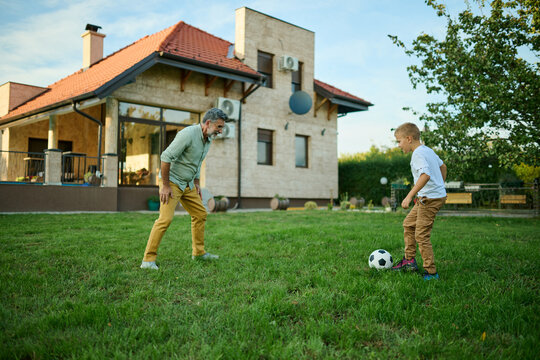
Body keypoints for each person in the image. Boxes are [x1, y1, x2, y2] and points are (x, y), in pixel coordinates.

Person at [140, 108, 228, 270]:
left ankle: (199, 253)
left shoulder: (207, 139)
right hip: (172, 183)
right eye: (219, 127)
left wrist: (196, 183)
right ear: (208, 123)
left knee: (200, 214)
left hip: (187, 184)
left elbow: (197, 162)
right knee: (165, 219)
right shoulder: (187, 134)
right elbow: (166, 157)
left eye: (221, 128)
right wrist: (165, 185)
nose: (220, 131)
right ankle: (148, 260)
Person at [392, 122, 447, 280]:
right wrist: (439, 187)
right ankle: (409, 261)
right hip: (429, 196)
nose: (398, 145)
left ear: (409, 138)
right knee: (408, 224)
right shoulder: (427, 150)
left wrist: (409, 196)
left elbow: (425, 175)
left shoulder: (418, 154)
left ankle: (431, 272)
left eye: (399, 141)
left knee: (421, 235)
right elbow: (443, 167)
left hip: (429, 199)